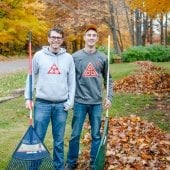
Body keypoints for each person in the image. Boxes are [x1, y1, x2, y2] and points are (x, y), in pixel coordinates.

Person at [24, 28, 76, 170]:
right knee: (38, 138)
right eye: (53, 37)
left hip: (61, 106)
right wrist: (28, 97)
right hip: (42, 105)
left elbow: (72, 82)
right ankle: (33, 167)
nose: (56, 40)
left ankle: (58, 167)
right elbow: (31, 76)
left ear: (62, 40)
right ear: (48, 39)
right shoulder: (39, 56)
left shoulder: (68, 58)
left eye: (59, 38)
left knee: (58, 141)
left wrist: (70, 101)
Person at [65, 25, 113, 170]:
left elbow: (108, 80)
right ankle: (71, 162)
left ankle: (94, 163)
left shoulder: (103, 58)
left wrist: (109, 96)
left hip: (97, 103)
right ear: (85, 38)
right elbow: (69, 79)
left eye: (94, 35)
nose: (91, 37)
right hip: (79, 102)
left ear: (97, 38)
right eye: (89, 35)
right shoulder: (75, 57)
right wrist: (69, 98)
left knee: (96, 135)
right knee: (75, 134)